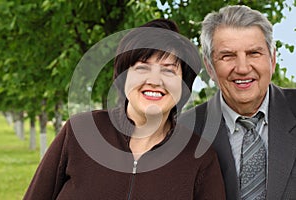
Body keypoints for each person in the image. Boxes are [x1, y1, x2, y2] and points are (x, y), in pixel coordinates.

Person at [24, 19, 225, 199]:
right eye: (142, 67)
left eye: (168, 70)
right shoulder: (79, 131)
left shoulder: (200, 157)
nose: (154, 81)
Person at [179, 5, 296, 200]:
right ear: (209, 66)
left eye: (253, 53)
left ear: (273, 60)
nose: (242, 68)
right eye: (228, 56)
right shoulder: (183, 132)